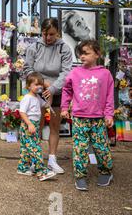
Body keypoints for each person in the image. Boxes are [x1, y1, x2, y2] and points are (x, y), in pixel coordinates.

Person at [61, 40, 114, 191]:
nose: (82, 56)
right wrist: (65, 107)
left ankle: (106, 171)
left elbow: (110, 96)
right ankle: (80, 176)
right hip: (79, 118)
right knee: (80, 148)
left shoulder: (105, 74)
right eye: (80, 53)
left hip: (98, 119)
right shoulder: (75, 73)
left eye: (86, 53)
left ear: (97, 54)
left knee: (101, 147)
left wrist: (109, 114)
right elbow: (67, 90)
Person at [24, 17, 73, 174]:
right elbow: (27, 69)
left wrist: (52, 89)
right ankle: (35, 159)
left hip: (56, 90)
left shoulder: (64, 48)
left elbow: (66, 73)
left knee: (54, 125)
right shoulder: (34, 47)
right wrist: (43, 84)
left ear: (57, 32)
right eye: (45, 34)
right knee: (35, 125)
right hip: (36, 90)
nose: (48, 38)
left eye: (51, 34)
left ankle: (52, 159)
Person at [18, 72, 57, 181]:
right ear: (28, 86)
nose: (39, 87)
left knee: (26, 148)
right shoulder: (27, 98)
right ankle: (41, 171)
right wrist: (29, 124)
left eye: (40, 84)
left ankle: (23, 167)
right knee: (35, 148)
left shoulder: (37, 98)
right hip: (28, 125)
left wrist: (50, 96)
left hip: (34, 125)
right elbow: (22, 112)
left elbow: (47, 105)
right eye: (36, 84)